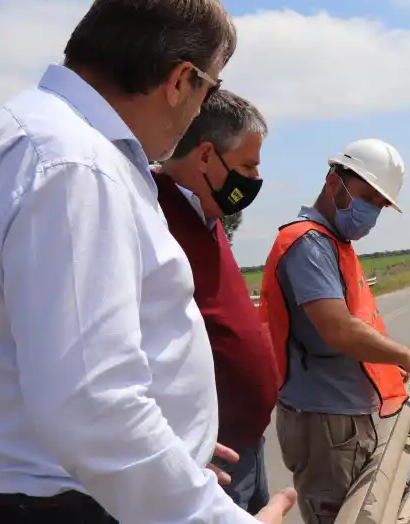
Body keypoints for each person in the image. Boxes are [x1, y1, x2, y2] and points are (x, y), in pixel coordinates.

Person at [0, 0, 294, 523]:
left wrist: (176, 448)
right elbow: (93, 405)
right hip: (75, 508)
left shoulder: (9, 137)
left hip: (53, 493)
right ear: (180, 80)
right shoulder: (75, 164)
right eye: (211, 88)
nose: (203, 109)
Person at [257, 139, 410, 524]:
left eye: (380, 205)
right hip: (325, 422)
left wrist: (388, 363)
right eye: (366, 197)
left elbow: (360, 322)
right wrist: (403, 355)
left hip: (341, 419)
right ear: (333, 181)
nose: (371, 212)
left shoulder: (333, 244)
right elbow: (338, 328)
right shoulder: (308, 244)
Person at [153, 89, 279, 514]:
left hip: (245, 446)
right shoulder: (153, 215)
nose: (254, 180)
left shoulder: (206, 215)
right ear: (205, 156)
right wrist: (171, 455)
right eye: (246, 166)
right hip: (205, 465)